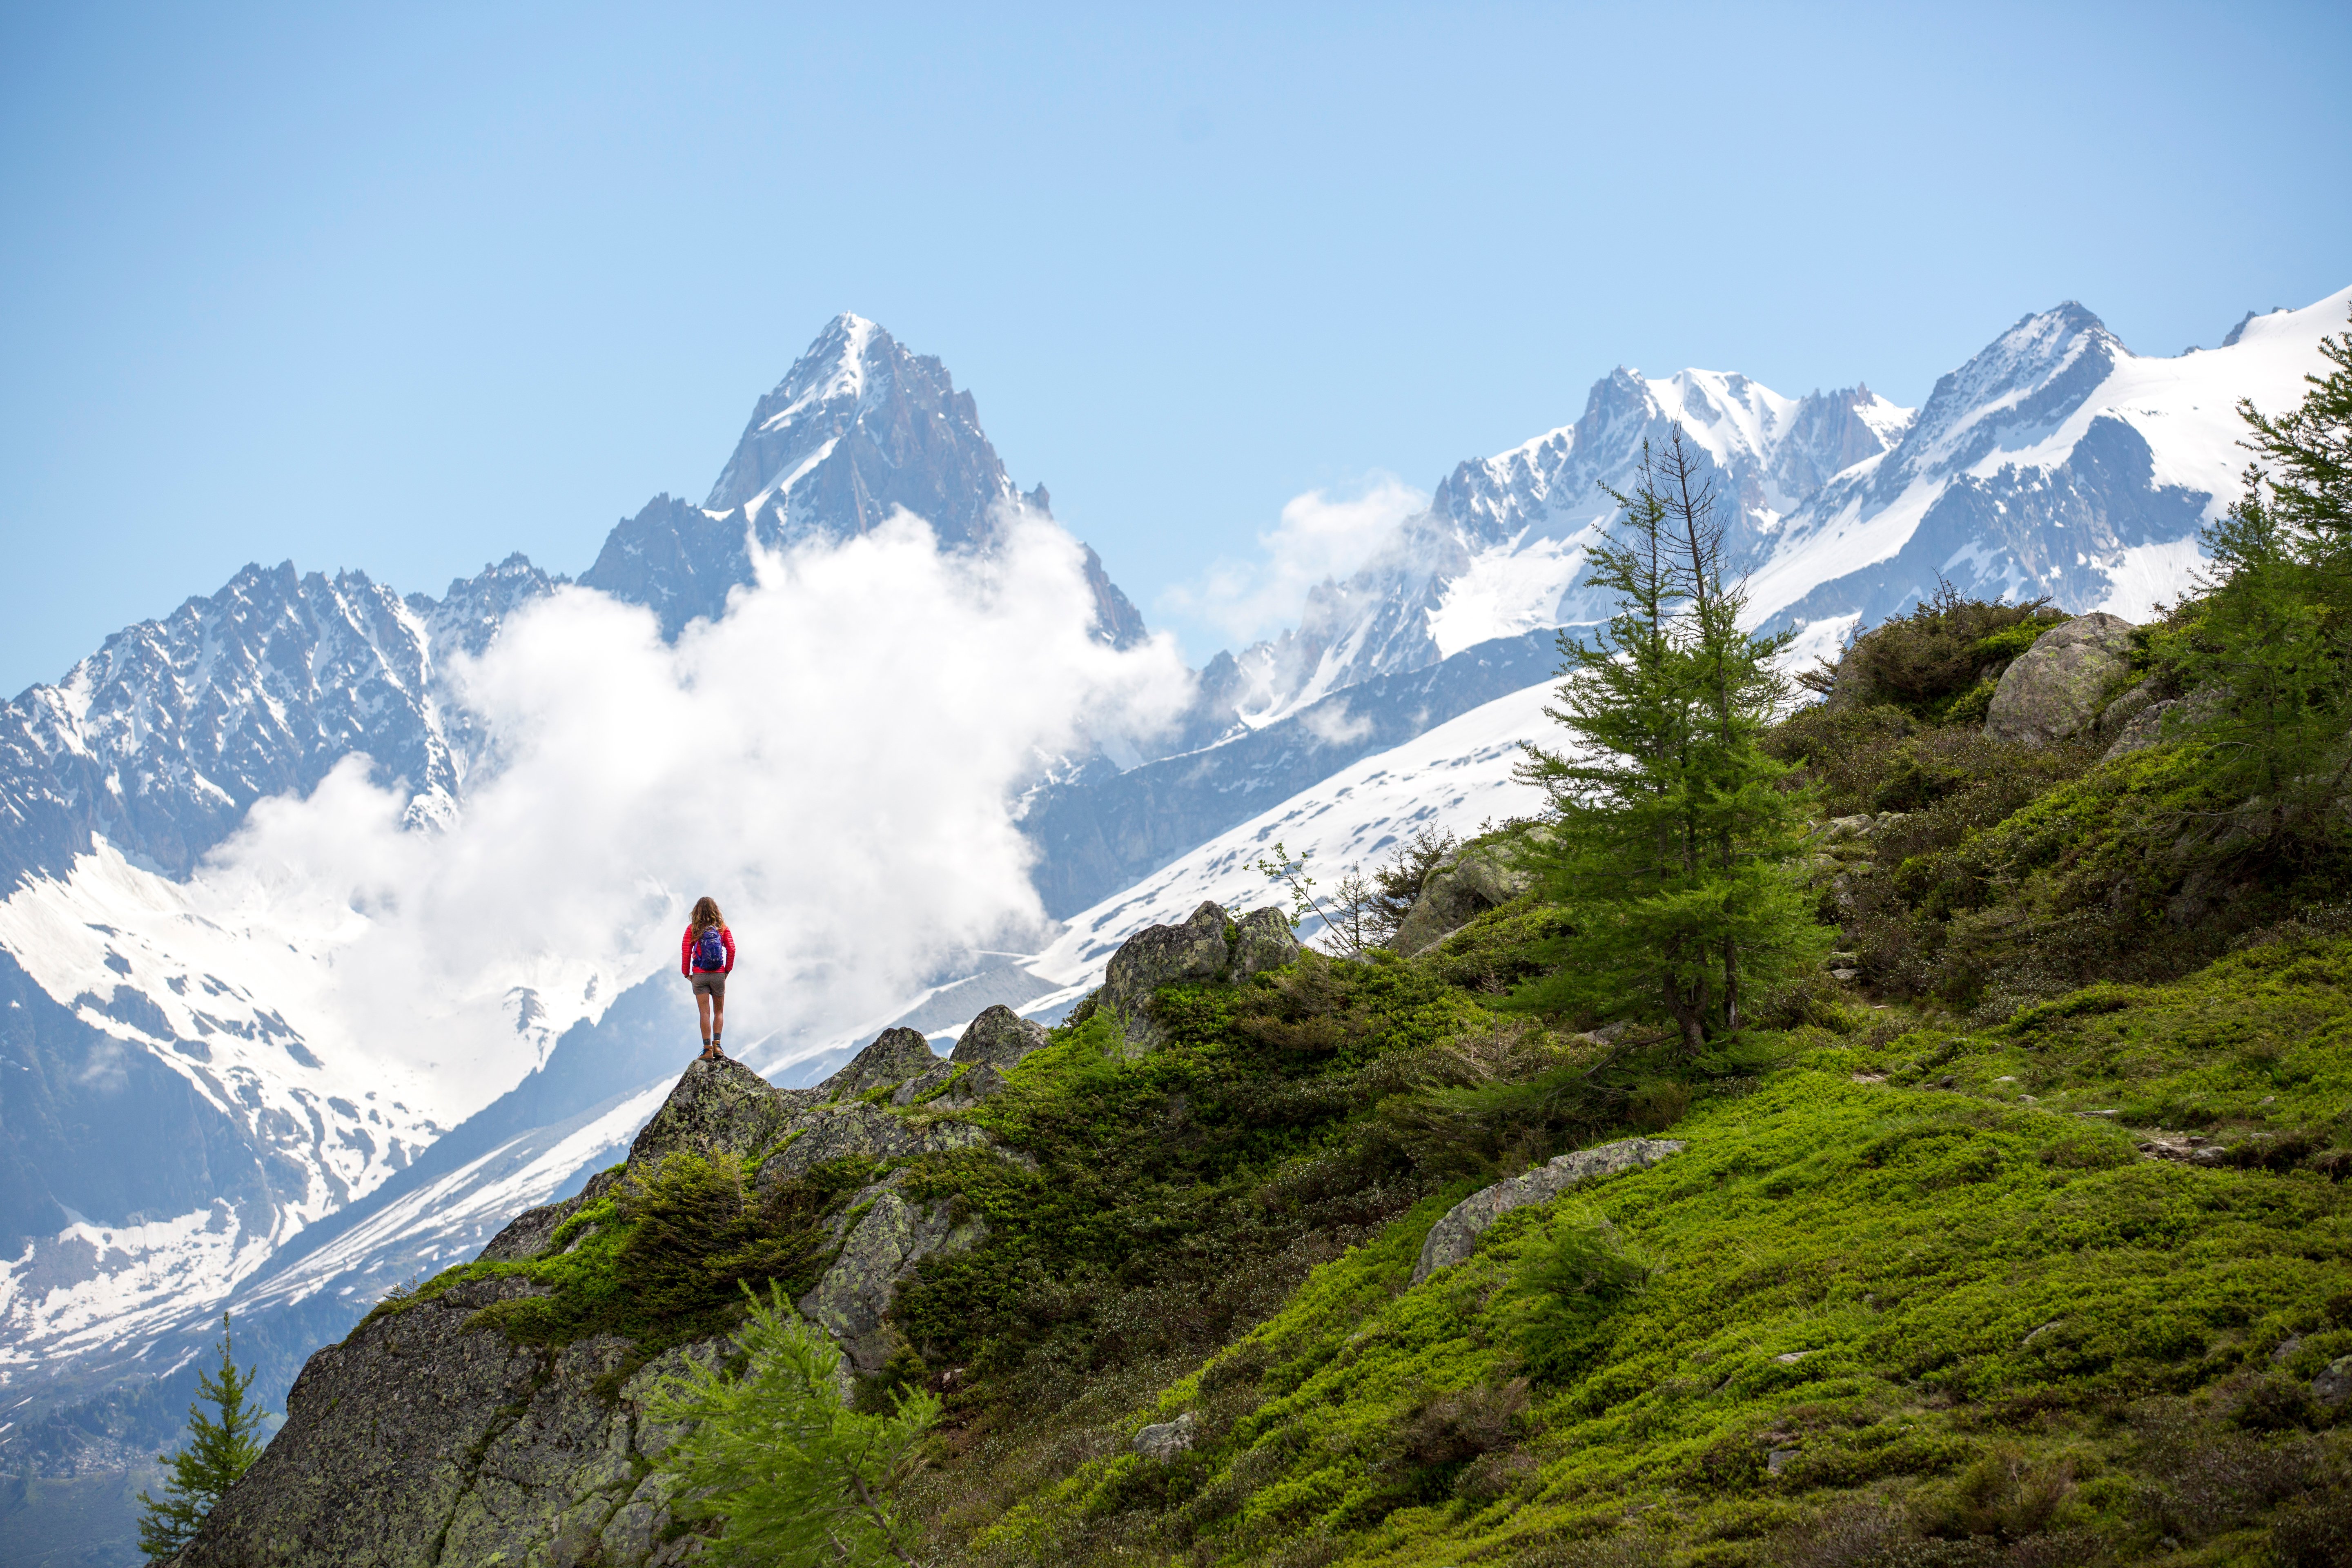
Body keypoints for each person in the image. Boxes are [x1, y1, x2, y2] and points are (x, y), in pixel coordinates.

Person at [681, 896, 735, 1062]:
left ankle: (707, 1050)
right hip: (719, 975)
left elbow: (686, 952)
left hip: (699, 975)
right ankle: (718, 1045)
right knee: (719, 1012)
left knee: (705, 1013)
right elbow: (732, 949)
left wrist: (686, 973)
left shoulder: (693, 929)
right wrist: (726, 971)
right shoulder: (722, 928)